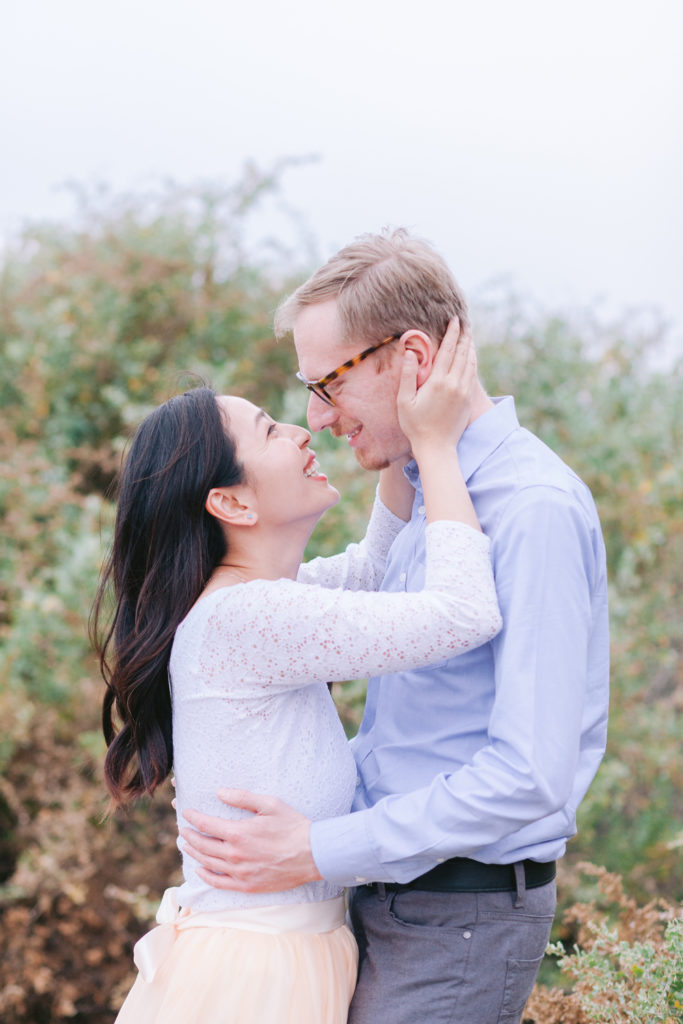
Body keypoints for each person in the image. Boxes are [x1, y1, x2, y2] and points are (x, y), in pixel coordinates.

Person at [181, 229, 611, 1024]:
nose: (316, 416)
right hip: (384, 904)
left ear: (412, 358)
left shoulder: (530, 510)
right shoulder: (428, 495)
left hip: (459, 919)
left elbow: (528, 775)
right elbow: (372, 578)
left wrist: (319, 848)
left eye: (329, 383)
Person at [91, 321, 503, 1024]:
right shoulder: (245, 621)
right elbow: (463, 613)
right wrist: (432, 445)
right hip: (255, 978)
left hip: (276, 957)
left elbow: (374, 571)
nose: (302, 430)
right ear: (231, 503)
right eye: (270, 431)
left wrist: (393, 436)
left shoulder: (245, 609)